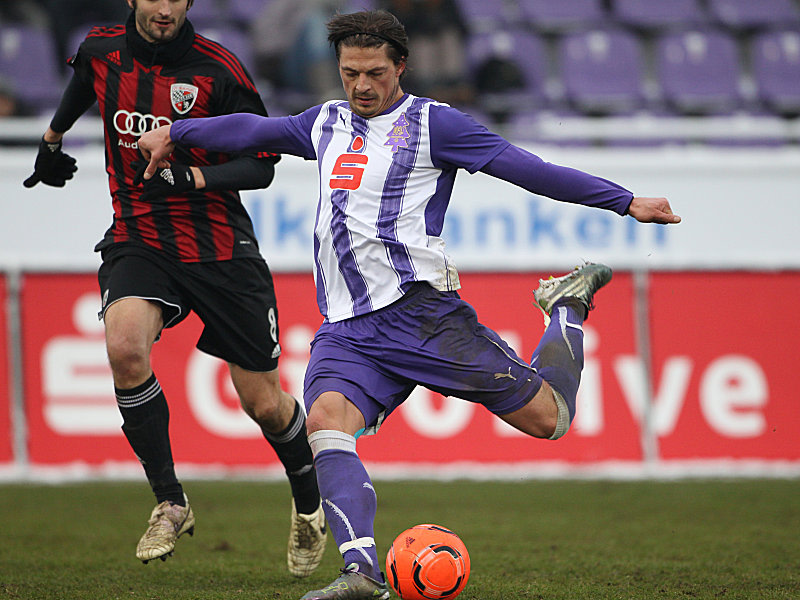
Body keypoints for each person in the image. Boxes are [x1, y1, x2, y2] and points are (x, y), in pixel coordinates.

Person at [137, 9, 681, 599]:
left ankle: (567, 306)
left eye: (374, 73)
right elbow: (256, 132)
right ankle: (361, 574)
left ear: (401, 67)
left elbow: (529, 170)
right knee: (324, 423)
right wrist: (180, 133)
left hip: (424, 317)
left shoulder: (434, 125)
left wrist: (625, 202)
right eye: (349, 73)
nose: (361, 86)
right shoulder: (324, 122)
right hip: (347, 329)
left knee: (551, 420)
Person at [22, 0, 327, 578]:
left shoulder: (219, 70)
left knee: (263, 402)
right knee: (124, 349)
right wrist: (54, 135)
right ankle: (170, 501)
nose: (164, 9)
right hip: (140, 239)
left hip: (221, 251)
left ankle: (309, 504)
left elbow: (262, 163)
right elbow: (84, 82)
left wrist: (193, 175)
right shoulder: (101, 50)